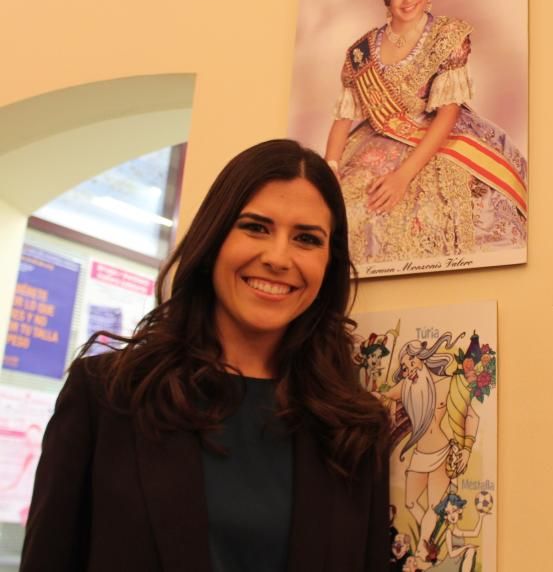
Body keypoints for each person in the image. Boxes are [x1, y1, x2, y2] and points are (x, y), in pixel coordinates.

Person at [20, 139, 390, 572]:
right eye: (255, 227)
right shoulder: (106, 396)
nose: (277, 257)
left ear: (329, 263)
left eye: (306, 239)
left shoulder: (353, 430)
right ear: (214, 238)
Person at [324, 0, 528, 268]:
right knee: (349, 208)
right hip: (375, 141)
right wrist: (330, 170)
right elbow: (343, 118)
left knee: (438, 215)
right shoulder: (361, 51)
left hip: (440, 141)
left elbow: (447, 114)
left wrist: (403, 176)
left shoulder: (447, 35)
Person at [376, 336, 479, 563]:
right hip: (420, 455)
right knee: (411, 502)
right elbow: (382, 395)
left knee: (433, 506)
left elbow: (472, 416)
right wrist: (390, 403)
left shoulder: (446, 384)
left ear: (420, 359)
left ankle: (422, 552)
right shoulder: (406, 387)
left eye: (408, 364)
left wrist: (467, 449)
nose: (406, 371)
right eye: (402, 367)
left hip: (442, 452)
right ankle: (428, 542)